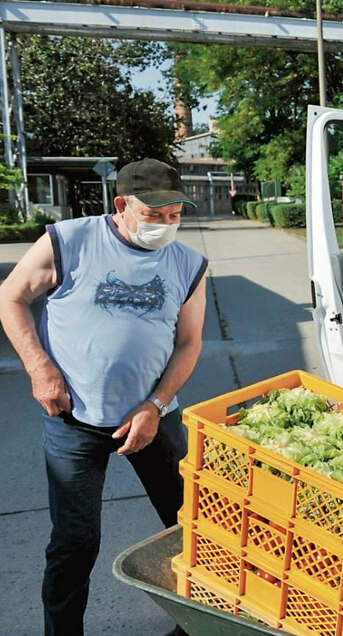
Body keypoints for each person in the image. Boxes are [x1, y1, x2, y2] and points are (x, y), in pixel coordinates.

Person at [0, 158, 208, 636]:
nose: (166, 224)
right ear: (121, 205)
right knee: (74, 543)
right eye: (155, 214)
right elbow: (10, 297)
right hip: (74, 420)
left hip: (155, 420)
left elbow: (189, 342)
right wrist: (40, 367)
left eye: (176, 214)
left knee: (193, 529)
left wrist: (155, 406)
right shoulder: (69, 240)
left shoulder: (188, 263)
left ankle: (194, 626)